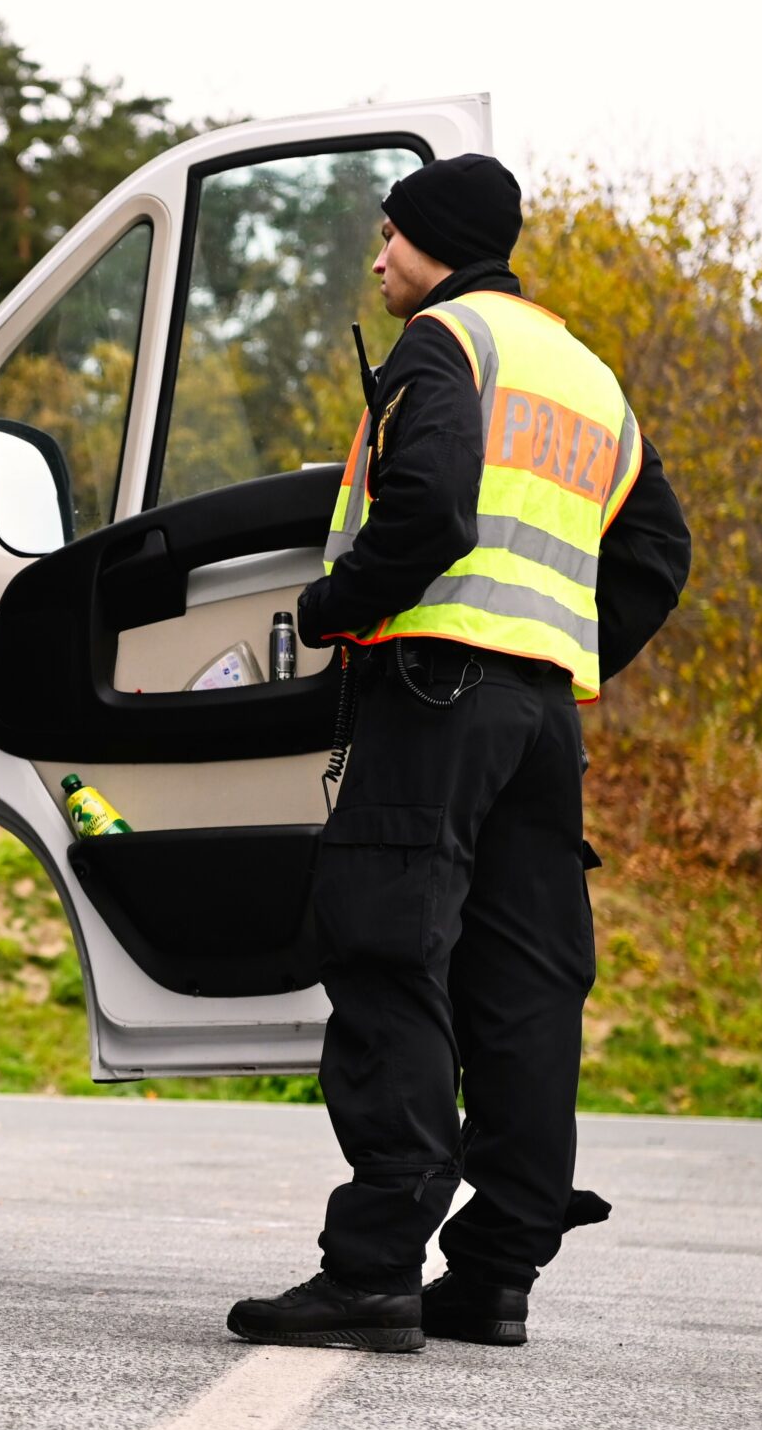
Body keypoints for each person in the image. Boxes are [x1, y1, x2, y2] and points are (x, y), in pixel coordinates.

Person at [226, 154, 691, 1351]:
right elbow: (657, 553)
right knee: (526, 983)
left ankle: (376, 1264)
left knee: (384, 948)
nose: (376, 259)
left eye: (387, 237)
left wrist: (336, 607)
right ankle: (493, 1273)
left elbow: (429, 511)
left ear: (431, 242)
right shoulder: (586, 375)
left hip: (434, 692)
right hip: (542, 720)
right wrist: (557, 645)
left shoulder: (445, 345)